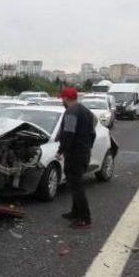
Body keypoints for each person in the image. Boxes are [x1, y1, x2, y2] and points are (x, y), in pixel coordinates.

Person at [56, 87, 97, 229]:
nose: (62, 101)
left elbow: (68, 133)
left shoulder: (71, 112)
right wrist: (87, 148)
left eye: (62, 98)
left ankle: (85, 219)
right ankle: (75, 212)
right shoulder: (86, 111)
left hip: (74, 154)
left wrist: (61, 150)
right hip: (83, 153)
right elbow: (93, 134)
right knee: (75, 184)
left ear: (66, 98)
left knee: (77, 186)